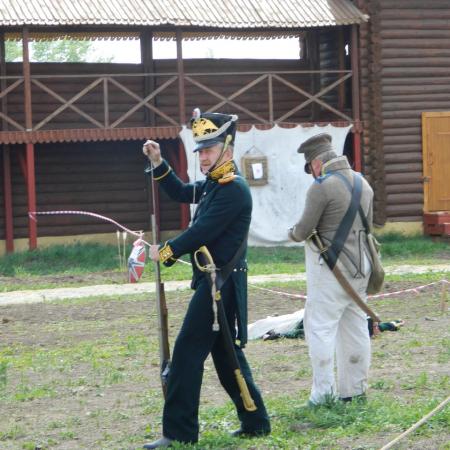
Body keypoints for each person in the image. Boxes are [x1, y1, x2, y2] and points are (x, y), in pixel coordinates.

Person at [141, 109, 270, 448]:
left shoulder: (233, 189)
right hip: (215, 283)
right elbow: (182, 191)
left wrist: (166, 251)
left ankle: (179, 433)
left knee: (186, 354)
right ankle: (256, 421)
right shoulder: (216, 185)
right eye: (200, 151)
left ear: (227, 147)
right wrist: (158, 162)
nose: (203, 157)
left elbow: (201, 231)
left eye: (209, 150)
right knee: (227, 357)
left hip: (220, 285)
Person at [288, 133, 374, 405]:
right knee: (356, 328)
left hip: (330, 270)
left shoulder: (321, 187)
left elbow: (302, 231)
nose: (312, 173)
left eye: (310, 167)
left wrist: (289, 233)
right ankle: (355, 391)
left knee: (320, 329)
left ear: (316, 162)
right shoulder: (364, 183)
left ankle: (323, 395)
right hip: (361, 267)